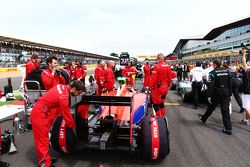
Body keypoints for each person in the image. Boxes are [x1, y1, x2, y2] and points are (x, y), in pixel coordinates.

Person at [31, 80, 85, 167]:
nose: (78, 95)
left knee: (45, 140)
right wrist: (74, 127)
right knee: (42, 141)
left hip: (44, 112)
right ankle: (45, 164)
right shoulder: (64, 97)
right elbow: (66, 114)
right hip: (39, 115)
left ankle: (46, 158)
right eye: (78, 93)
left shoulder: (62, 86)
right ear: (73, 89)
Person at [199, 59, 233, 135]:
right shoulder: (227, 72)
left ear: (215, 65)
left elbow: (210, 86)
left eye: (213, 64)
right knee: (225, 111)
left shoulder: (212, 73)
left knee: (211, 107)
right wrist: (230, 94)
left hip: (216, 94)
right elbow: (230, 84)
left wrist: (209, 96)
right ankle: (228, 128)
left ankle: (204, 118)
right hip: (226, 93)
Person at [239, 48, 250, 125]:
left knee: (246, 107)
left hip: (247, 90)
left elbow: (243, 61)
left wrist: (243, 54)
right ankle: (246, 120)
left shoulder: (248, 70)